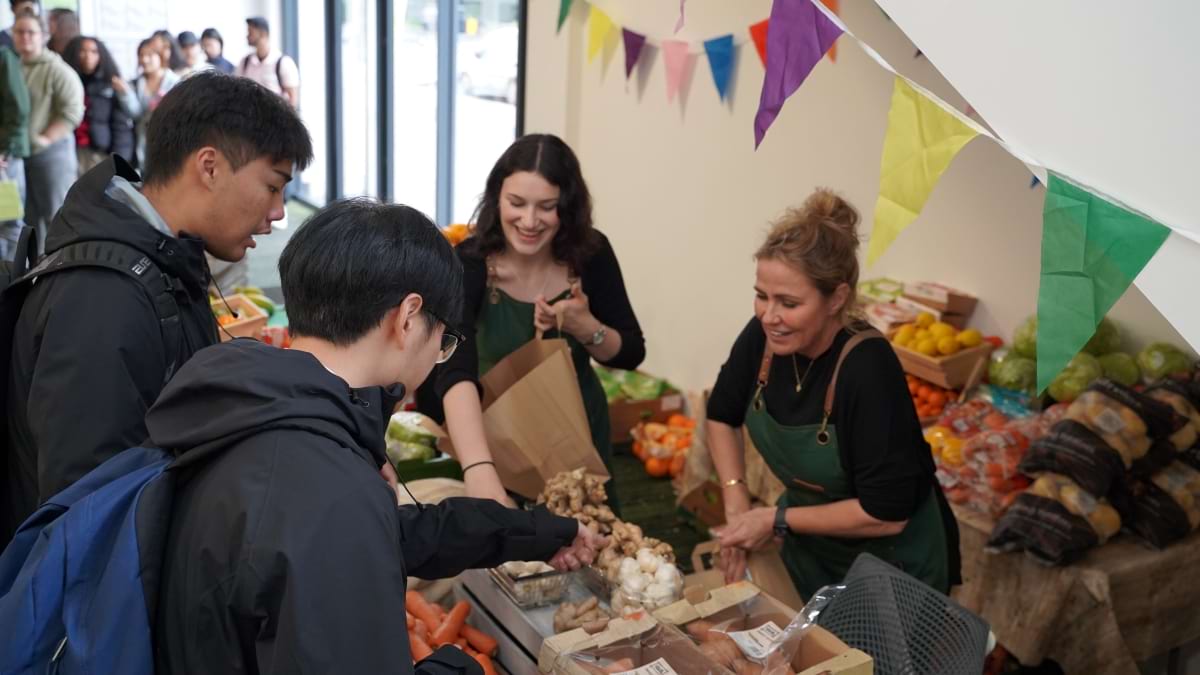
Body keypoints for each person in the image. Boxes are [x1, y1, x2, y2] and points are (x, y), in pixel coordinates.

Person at [152, 198, 605, 673]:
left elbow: (387, 535)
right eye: (443, 340)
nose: (437, 357)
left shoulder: (256, 398)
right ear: (409, 318)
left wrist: (538, 533)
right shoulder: (330, 489)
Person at [1, 71, 313, 544]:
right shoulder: (103, 298)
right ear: (209, 167)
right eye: (273, 186)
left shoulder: (164, 259)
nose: (278, 212)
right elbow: (88, 525)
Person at [708, 189, 960, 600]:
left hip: (892, 565)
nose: (769, 316)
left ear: (837, 298)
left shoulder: (868, 369)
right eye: (761, 296)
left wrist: (775, 519)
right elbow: (721, 413)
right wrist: (737, 505)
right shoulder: (764, 338)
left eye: (789, 303)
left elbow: (886, 515)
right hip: (811, 549)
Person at [417, 134, 645, 509]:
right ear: (497, 199)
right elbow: (454, 367)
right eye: (516, 203)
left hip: (578, 434)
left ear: (567, 208)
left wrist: (586, 327)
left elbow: (630, 354)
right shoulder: (470, 262)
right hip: (492, 435)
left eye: (547, 207)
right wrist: (479, 468)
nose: (529, 220)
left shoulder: (591, 255)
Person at [13, 10, 82, 250]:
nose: (25, 37)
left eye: (31, 32)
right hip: (21, 157)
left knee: (57, 218)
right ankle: (35, 278)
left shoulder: (57, 69)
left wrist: (45, 138)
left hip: (53, 154)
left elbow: (73, 110)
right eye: (19, 32)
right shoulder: (13, 67)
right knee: (27, 220)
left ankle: (63, 275)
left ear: (43, 35)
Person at [62, 35, 134, 174]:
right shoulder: (66, 82)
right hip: (69, 150)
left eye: (94, 51)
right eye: (82, 51)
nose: (88, 56)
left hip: (98, 152)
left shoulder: (111, 84)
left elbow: (120, 125)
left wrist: (120, 161)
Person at [115, 38, 179, 169]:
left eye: (149, 55)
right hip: (140, 145)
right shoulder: (135, 83)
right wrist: (125, 94)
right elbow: (136, 115)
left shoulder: (175, 83)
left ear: (160, 56)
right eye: (141, 55)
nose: (144, 60)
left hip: (168, 144)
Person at [0, 38, 29, 261]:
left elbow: (19, 109)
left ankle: (14, 287)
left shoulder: (4, 57)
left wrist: (5, 149)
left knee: (8, 222)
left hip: (4, 157)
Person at [236, 16, 298, 108]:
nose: (247, 36)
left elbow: (293, 100)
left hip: (275, 119)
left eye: (250, 32)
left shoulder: (284, 63)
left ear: (262, 34)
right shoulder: (245, 62)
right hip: (250, 119)